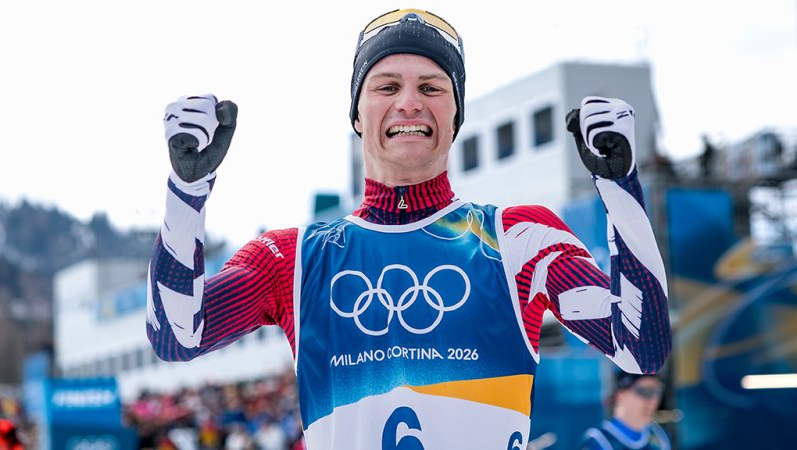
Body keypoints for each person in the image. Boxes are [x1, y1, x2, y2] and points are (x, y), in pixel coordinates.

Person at [146, 8, 671, 449]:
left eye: (431, 86)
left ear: (456, 112)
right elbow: (176, 335)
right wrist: (186, 194)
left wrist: (621, 190)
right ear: (357, 112)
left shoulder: (518, 239)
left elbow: (640, 345)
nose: (409, 103)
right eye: (387, 85)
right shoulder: (294, 257)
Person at [579, 372, 671, 450]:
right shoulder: (599, 440)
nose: (653, 401)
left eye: (657, 392)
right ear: (621, 395)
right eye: (645, 392)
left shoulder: (659, 437)